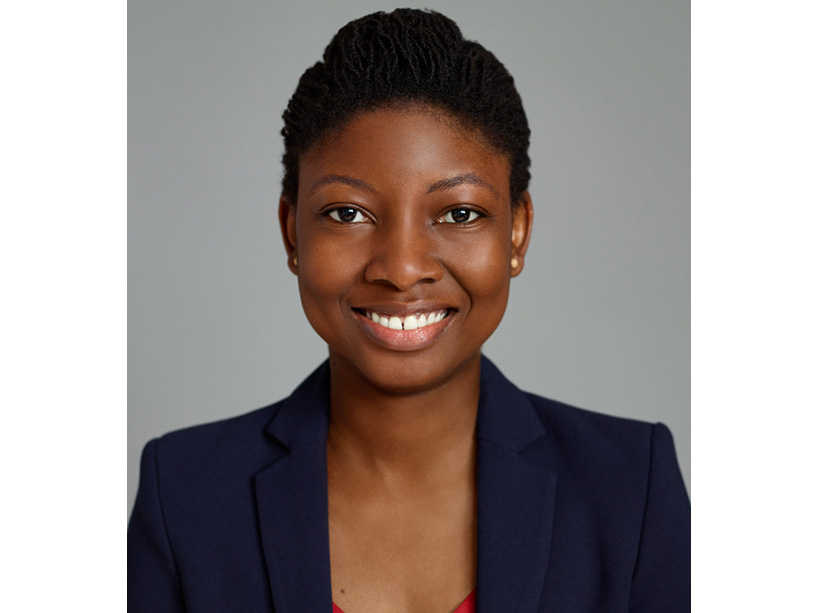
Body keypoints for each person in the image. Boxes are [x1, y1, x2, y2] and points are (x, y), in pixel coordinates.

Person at [128, 9, 690, 612]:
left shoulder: (632, 490)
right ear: (293, 233)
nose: (400, 268)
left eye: (459, 214)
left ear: (518, 233)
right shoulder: (184, 496)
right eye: (348, 213)